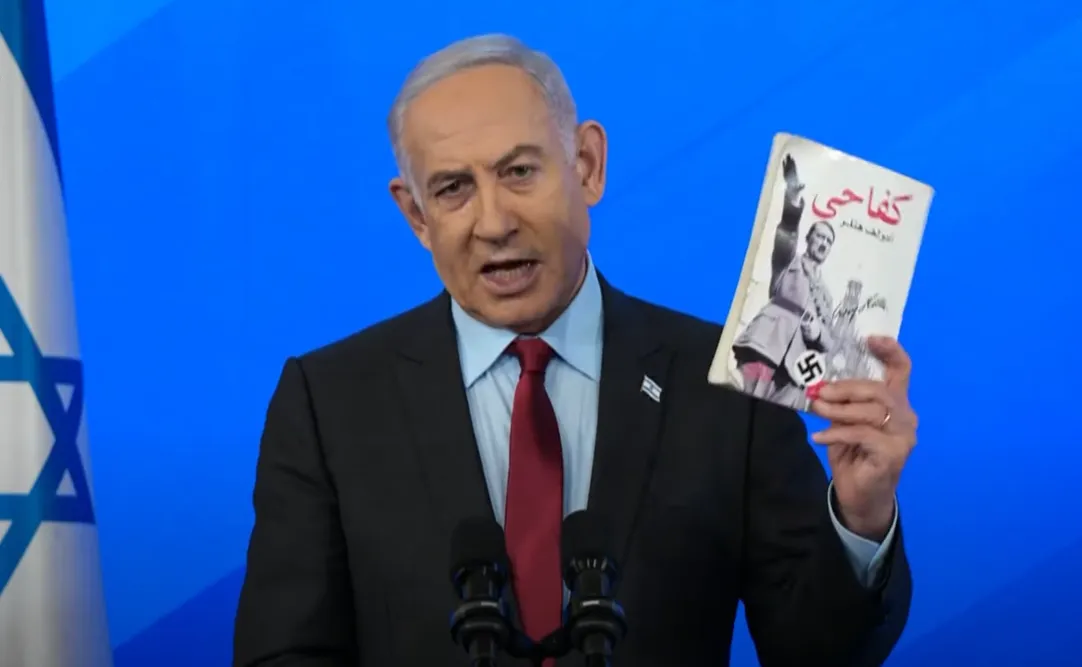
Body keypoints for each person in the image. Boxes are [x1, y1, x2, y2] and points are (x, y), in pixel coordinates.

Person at [233, 33, 917, 667]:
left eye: (519, 171)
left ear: (587, 165)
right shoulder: (330, 404)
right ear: (416, 214)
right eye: (453, 188)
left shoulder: (724, 387)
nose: (494, 222)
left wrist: (861, 516)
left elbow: (818, 653)